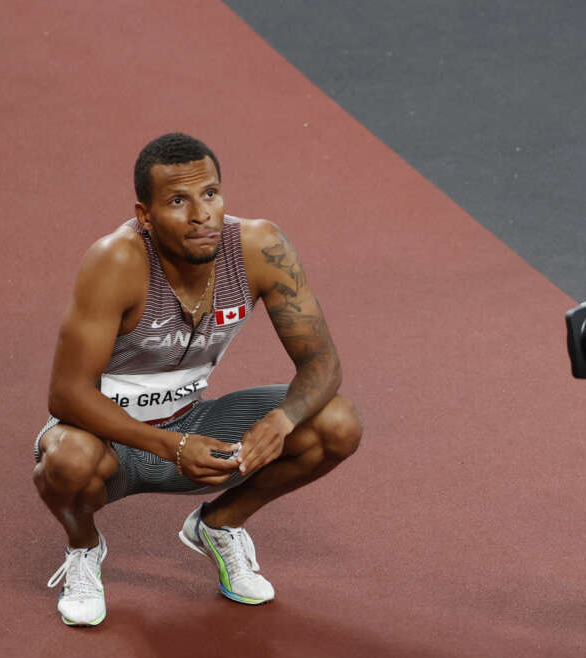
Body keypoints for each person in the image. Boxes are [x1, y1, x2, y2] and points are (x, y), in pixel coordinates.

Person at [35, 132, 363, 627]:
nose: (201, 214)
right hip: (108, 439)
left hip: (192, 422)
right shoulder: (116, 261)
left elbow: (323, 363)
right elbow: (66, 394)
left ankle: (219, 525)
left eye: (210, 194)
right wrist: (172, 446)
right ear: (145, 215)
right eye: (177, 201)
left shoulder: (259, 248)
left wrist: (282, 420)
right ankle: (84, 549)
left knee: (337, 422)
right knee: (67, 459)